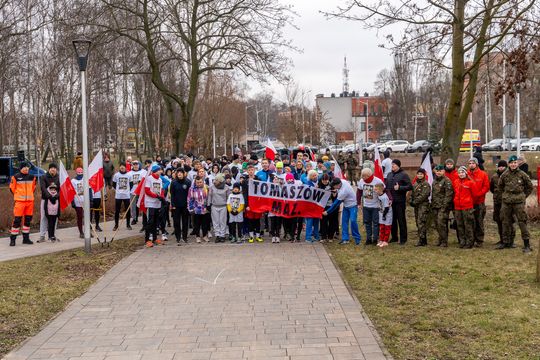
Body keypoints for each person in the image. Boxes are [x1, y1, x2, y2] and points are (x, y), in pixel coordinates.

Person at [497, 155, 533, 252]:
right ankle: (505, 242)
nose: (513, 164)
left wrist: (523, 196)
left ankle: (526, 244)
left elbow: (530, 186)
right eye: (511, 163)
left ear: (517, 163)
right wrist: (504, 196)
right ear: (509, 164)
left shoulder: (523, 174)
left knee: (522, 221)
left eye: (515, 163)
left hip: (519, 202)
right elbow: (499, 186)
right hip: (507, 202)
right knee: (505, 221)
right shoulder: (504, 174)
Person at [325, 178, 361, 245]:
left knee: (353, 221)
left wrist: (327, 212)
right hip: (346, 206)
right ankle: (345, 239)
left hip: (353, 205)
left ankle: (357, 238)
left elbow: (336, 204)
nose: (333, 187)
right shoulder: (342, 181)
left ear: (338, 185)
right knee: (344, 222)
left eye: (334, 186)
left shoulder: (344, 191)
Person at [9, 162, 36, 246]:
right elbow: (12, 188)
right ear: (20, 168)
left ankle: (26, 239)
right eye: (24, 167)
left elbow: (33, 188)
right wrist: (18, 195)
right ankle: (13, 239)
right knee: (17, 221)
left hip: (30, 202)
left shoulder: (32, 177)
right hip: (19, 202)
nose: (26, 168)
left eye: (27, 167)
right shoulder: (15, 177)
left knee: (28, 220)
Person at [386, 159, 413, 244]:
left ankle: (403, 239)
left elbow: (410, 186)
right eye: (392, 164)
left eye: (394, 164)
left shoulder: (403, 175)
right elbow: (387, 186)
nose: (392, 166)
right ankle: (394, 237)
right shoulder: (389, 175)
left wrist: (400, 188)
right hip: (391, 202)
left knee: (401, 220)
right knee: (392, 220)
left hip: (400, 201)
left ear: (398, 165)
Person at [357, 168, 385, 245]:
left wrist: (387, 200)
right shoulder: (361, 181)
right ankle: (368, 238)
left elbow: (385, 190)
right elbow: (359, 192)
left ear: (369, 175)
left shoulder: (377, 181)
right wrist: (358, 203)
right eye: (362, 176)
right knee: (367, 222)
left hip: (376, 206)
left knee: (375, 223)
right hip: (366, 206)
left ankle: (375, 239)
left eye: (364, 176)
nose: (363, 177)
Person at [467, 157, 490, 247]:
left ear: (476, 164)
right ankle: (470, 239)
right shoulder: (466, 174)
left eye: (473, 163)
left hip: (479, 202)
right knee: (470, 221)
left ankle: (479, 240)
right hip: (469, 202)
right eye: (470, 163)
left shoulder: (483, 174)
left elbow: (486, 186)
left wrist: (479, 193)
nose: (471, 165)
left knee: (479, 221)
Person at [453, 166, 476, 249]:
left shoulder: (470, 182)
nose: (461, 174)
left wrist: (468, 201)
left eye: (462, 172)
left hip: (467, 207)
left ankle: (469, 242)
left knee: (468, 225)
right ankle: (462, 241)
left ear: (466, 173)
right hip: (457, 207)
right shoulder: (455, 182)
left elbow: (474, 194)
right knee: (460, 225)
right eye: (459, 173)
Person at [431, 165, 454, 247]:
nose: (438, 172)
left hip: (443, 207)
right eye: (437, 171)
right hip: (435, 206)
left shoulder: (447, 181)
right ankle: (440, 239)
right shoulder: (434, 181)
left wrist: (444, 207)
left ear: (443, 171)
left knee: (442, 223)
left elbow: (449, 195)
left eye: (440, 171)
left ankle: (444, 241)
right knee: (437, 224)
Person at [490, 160, 512, 245]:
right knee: (498, 220)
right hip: (497, 202)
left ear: (506, 167)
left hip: (507, 202)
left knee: (508, 221)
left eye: (503, 166)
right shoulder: (494, 177)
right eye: (500, 166)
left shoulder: (509, 175)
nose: (501, 167)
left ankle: (509, 240)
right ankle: (502, 239)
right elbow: (491, 188)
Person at [144, 165, 165, 247]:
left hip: (157, 203)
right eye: (160, 170)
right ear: (156, 171)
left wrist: (162, 198)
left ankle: (155, 239)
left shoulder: (160, 179)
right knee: (150, 222)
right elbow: (147, 191)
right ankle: (147, 239)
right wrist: (156, 196)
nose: (161, 171)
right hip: (150, 203)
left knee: (156, 222)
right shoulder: (149, 178)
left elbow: (162, 190)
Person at [38, 163, 60, 242]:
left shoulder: (58, 177)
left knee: (54, 218)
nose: (53, 169)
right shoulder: (43, 177)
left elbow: (61, 188)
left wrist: (56, 196)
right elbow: (43, 188)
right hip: (45, 200)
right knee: (44, 217)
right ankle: (42, 236)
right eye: (51, 168)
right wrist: (50, 196)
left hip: (55, 201)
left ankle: (52, 235)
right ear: (49, 169)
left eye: (54, 168)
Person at [410, 168, 431, 247]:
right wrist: (411, 201)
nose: (419, 175)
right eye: (418, 174)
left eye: (421, 174)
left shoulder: (426, 184)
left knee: (421, 222)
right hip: (416, 206)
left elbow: (424, 195)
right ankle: (423, 239)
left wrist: (414, 202)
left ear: (424, 175)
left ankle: (421, 240)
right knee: (417, 222)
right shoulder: (415, 184)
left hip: (423, 205)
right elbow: (412, 193)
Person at [170, 169, 191, 244]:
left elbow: (190, 194)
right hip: (176, 206)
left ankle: (184, 237)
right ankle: (178, 237)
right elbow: (172, 194)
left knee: (185, 222)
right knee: (176, 222)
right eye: (178, 173)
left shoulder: (188, 182)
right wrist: (173, 205)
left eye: (181, 173)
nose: (179, 174)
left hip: (185, 206)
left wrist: (189, 205)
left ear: (184, 174)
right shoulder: (173, 182)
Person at [243, 165, 263, 243]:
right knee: (250, 220)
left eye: (252, 170)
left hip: (257, 204)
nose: (251, 171)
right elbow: (244, 194)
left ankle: (258, 236)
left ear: (254, 170)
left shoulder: (258, 179)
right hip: (249, 204)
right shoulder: (245, 181)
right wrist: (246, 205)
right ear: (247, 172)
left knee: (257, 220)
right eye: (249, 170)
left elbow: (261, 193)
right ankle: (251, 236)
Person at [208, 173, 230, 243]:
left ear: (220, 181)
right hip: (214, 206)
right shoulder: (212, 187)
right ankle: (217, 235)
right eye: (215, 179)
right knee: (216, 222)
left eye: (216, 180)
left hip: (223, 206)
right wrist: (208, 204)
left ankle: (222, 235)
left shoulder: (226, 187)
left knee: (222, 221)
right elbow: (210, 196)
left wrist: (229, 206)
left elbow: (228, 197)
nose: (215, 181)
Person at [188, 175, 210, 243]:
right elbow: (190, 199)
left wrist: (209, 206)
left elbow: (209, 197)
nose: (199, 183)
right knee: (197, 224)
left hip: (205, 208)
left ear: (202, 182)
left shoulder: (206, 187)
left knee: (205, 223)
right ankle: (197, 236)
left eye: (200, 182)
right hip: (196, 209)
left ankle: (205, 235)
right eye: (198, 182)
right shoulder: (192, 189)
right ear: (195, 182)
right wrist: (191, 209)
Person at [112, 163, 133, 231]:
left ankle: (128, 225)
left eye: (123, 166)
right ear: (119, 167)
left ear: (125, 167)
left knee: (128, 211)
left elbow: (131, 184)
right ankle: (116, 225)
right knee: (117, 211)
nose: (122, 167)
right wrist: (118, 190)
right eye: (121, 166)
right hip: (118, 196)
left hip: (126, 195)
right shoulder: (116, 175)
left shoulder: (129, 175)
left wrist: (127, 191)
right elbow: (114, 184)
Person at [318, 174, 336, 242]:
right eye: (323, 180)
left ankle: (330, 236)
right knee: (323, 222)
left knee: (331, 221)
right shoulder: (319, 185)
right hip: (322, 206)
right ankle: (323, 237)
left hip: (331, 205)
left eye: (326, 180)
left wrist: (334, 194)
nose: (325, 182)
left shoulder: (331, 186)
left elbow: (335, 197)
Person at [304, 170, 320, 243]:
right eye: (313, 176)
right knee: (310, 222)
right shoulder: (308, 184)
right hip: (310, 206)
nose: (314, 177)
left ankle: (316, 235)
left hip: (317, 206)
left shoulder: (319, 182)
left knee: (316, 221)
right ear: (310, 177)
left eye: (315, 175)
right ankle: (308, 237)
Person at [128, 160, 146, 225]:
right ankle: (134, 218)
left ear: (139, 165)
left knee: (142, 204)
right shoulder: (129, 173)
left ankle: (144, 219)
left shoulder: (143, 172)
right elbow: (128, 183)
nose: (135, 166)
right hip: (133, 191)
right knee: (133, 206)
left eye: (137, 164)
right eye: (134, 164)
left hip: (141, 191)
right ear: (132, 165)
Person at [71, 168, 86, 238]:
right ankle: (81, 232)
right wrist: (72, 202)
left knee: (87, 217)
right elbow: (71, 192)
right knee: (80, 217)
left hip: (86, 202)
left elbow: (89, 189)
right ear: (76, 173)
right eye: (78, 172)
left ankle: (87, 232)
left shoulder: (85, 179)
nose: (80, 173)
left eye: (81, 172)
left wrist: (91, 200)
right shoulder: (73, 181)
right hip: (78, 202)